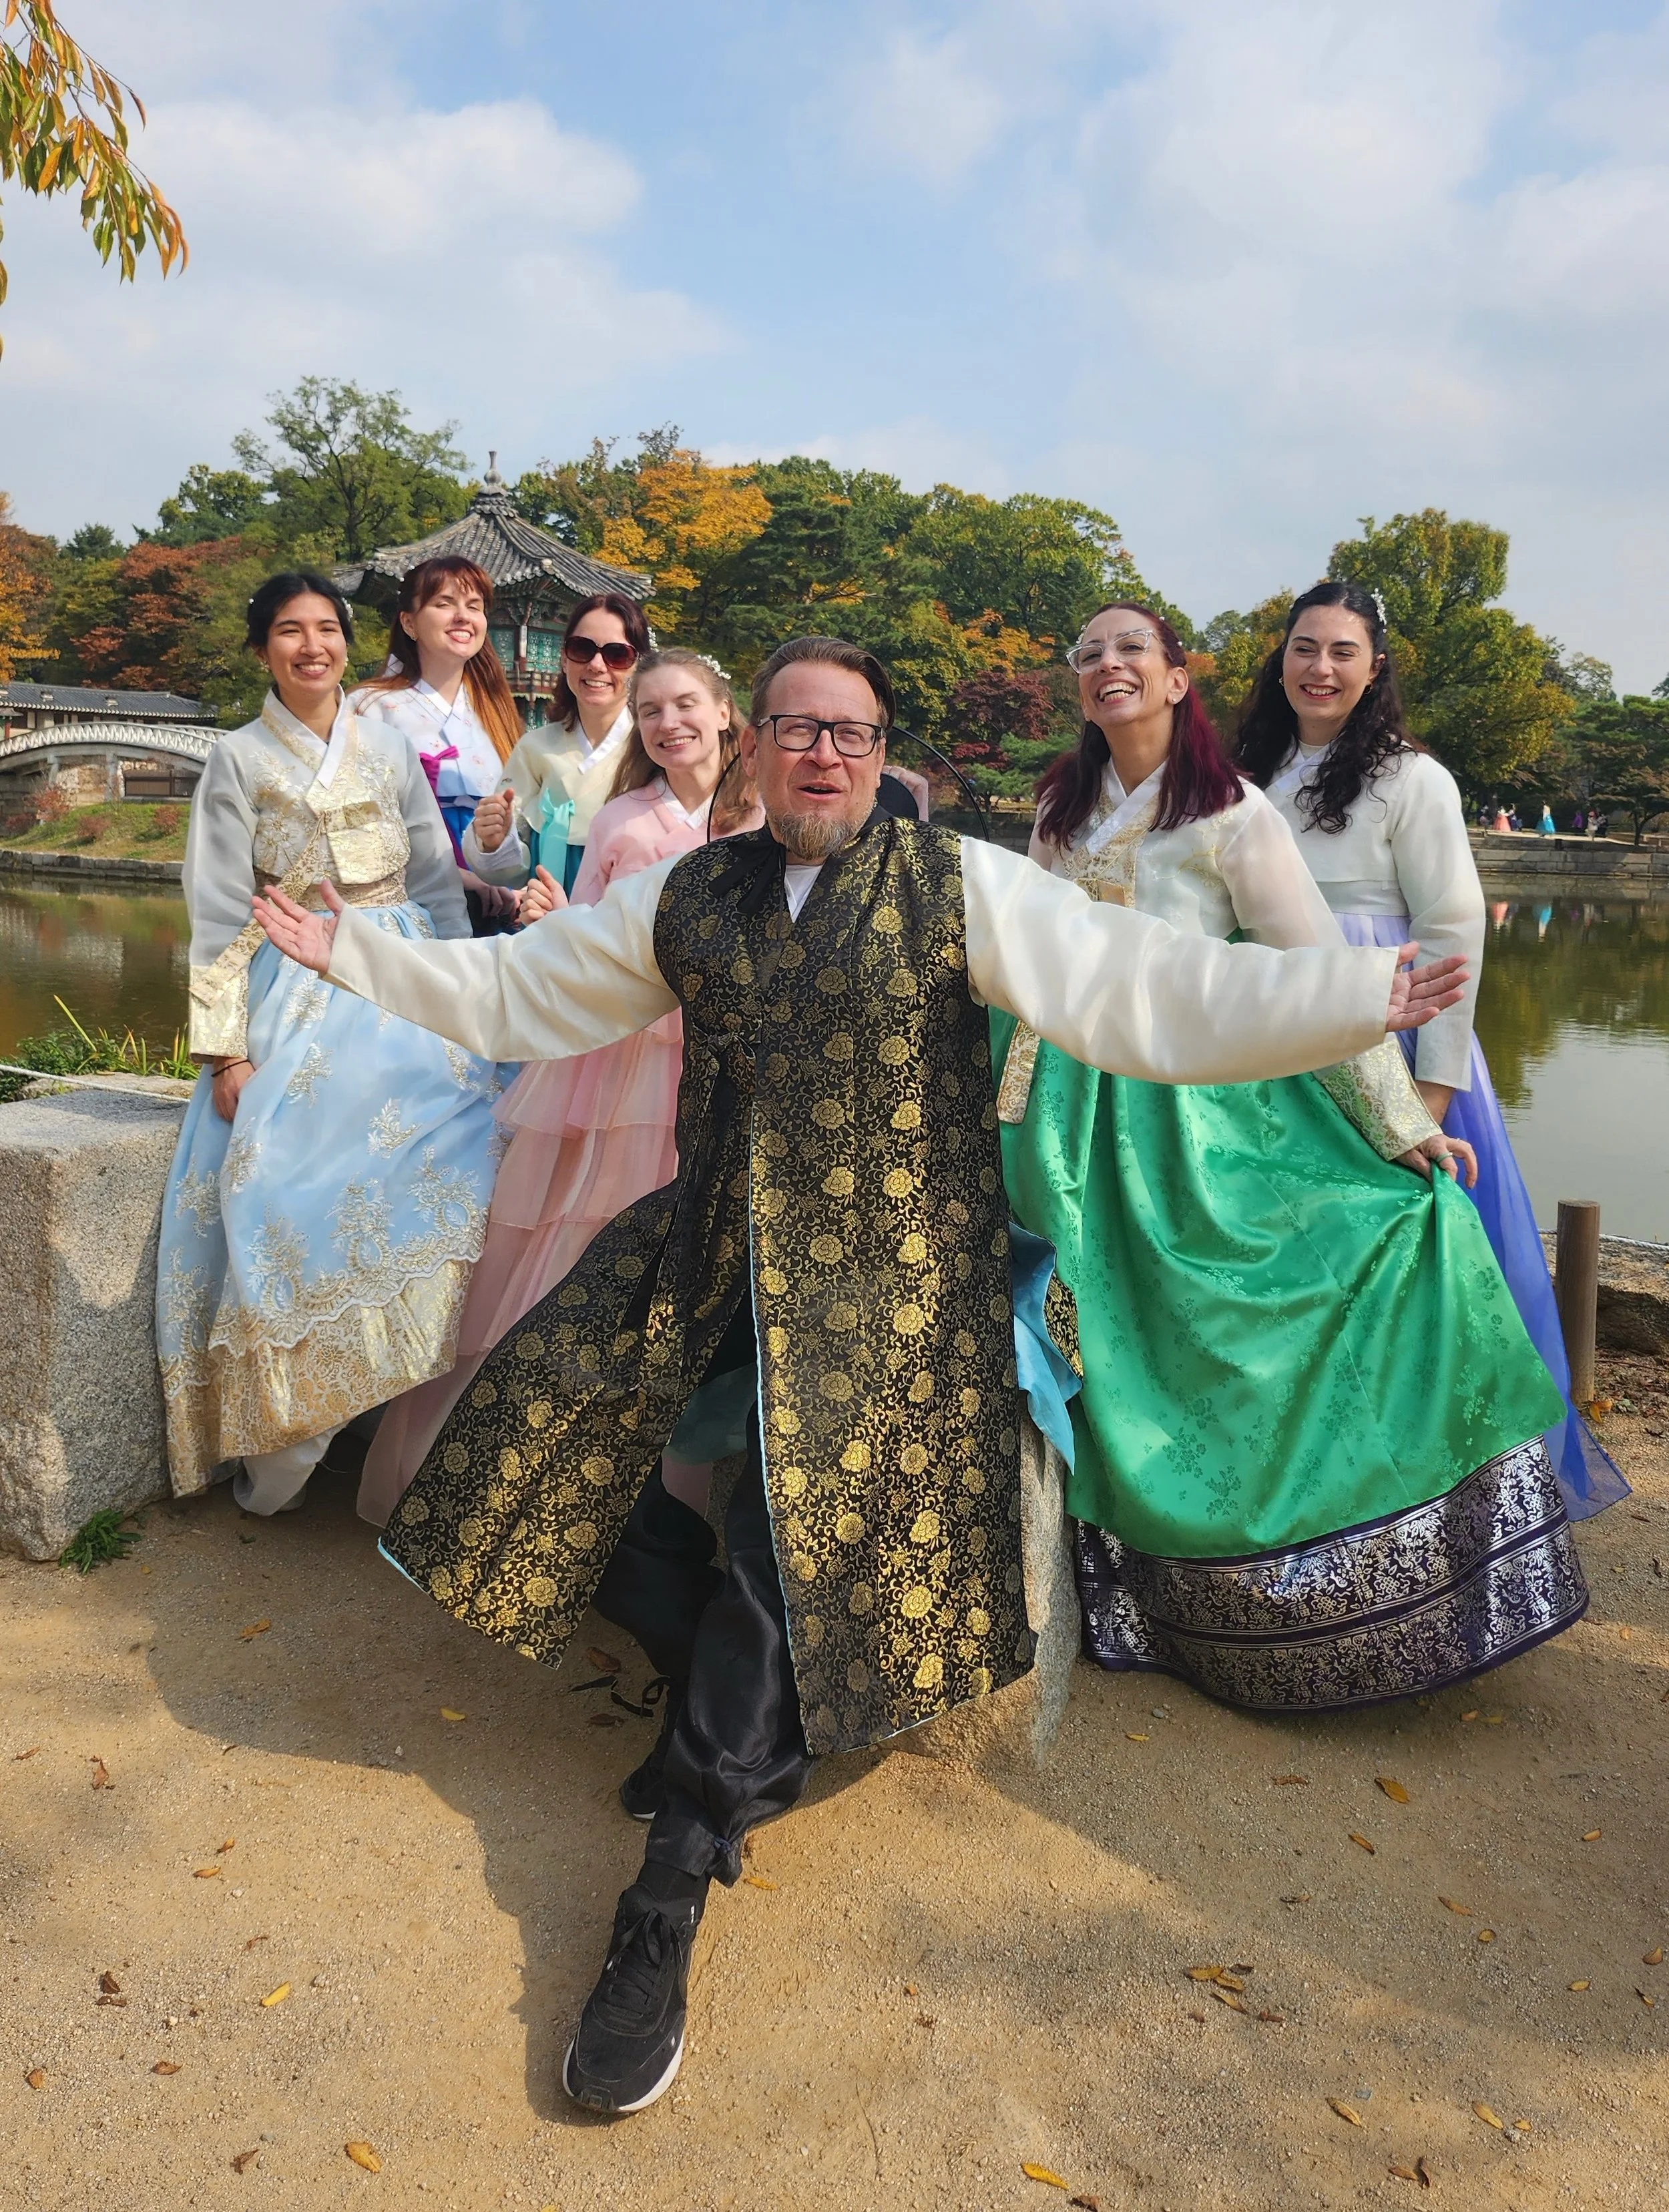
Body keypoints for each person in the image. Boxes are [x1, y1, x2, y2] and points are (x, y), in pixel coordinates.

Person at [251, 632, 1467, 2117]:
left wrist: (1355, 1002)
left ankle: (674, 1876)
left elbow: (1150, 992)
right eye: (795, 731)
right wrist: (353, 954)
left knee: (780, 1514)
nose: (820, 757)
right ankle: (728, 1692)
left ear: (880, 755)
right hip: (708, 1244)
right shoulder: (690, 896)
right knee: (526, 1424)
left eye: (850, 734)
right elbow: (525, 991)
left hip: (895, 1281)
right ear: (753, 749)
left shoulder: (958, 883)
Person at [995, 601, 1576, 1710]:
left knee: (1207, 1327)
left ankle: (1264, 1592)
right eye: (1088, 654)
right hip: (1060, 1105)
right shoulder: (1060, 807)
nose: (1108, 666)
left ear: (1178, 678)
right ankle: (1090, 1574)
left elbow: (1318, 978)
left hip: (1191, 1106)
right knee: (1087, 1329)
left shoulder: (1231, 809)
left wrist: (1399, 1119)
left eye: (1133, 651)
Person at [356, 646, 760, 1554]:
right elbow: (583, 940)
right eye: (652, 710)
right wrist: (554, 922)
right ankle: (493, 1488)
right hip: (615, 1063)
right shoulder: (621, 815)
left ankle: (637, 1522)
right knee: (568, 1249)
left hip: (716, 1066)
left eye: (686, 704)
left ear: (726, 712)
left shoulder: (765, 815)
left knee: (676, 1277)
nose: (669, 723)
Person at [1239, 578, 1628, 1518]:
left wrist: (1432, 1090)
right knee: (1293, 1258)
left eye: (1341, 651)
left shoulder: (1413, 778)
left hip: (1388, 1015)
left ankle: (1448, 1492)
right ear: (1280, 659)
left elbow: (1454, 928)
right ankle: (1302, 1476)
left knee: (1410, 1264)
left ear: (1375, 668)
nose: (1319, 667)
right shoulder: (1247, 770)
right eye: (1304, 647)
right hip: (1268, 1027)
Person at [156, 571, 510, 1514]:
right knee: (280, 1180)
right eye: (288, 631)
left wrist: (467, 994)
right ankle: (295, 1421)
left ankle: (411, 1416)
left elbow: (437, 884)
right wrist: (225, 1052)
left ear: (349, 641)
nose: (311, 646)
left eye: (325, 629)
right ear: (262, 647)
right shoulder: (236, 759)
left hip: (401, 973)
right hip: (298, 981)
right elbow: (217, 913)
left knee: (467, 1159)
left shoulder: (389, 746)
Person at [349, 555, 525, 934]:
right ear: (409, 622)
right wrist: (456, 876)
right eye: (444, 604)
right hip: (408, 901)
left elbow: (516, 817)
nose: (462, 616)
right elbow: (362, 823)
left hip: (497, 898)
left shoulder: (497, 712)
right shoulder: (368, 706)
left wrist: (496, 862)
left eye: (474, 606)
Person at [469, 591, 652, 898]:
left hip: (633, 913)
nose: (596, 665)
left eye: (617, 654)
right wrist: (492, 839)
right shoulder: (535, 747)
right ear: (564, 659)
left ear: (639, 665)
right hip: (548, 913)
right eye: (582, 649)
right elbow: (510, 871)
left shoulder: (653, 748)